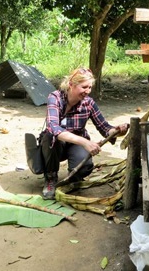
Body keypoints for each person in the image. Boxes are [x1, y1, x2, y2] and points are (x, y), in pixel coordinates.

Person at [39, 67, 129, 200]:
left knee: (84, 167)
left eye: (90, 87)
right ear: (71, 85)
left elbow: (104, 128)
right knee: (51, 136)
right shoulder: (55, 98)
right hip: (55, 145)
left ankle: (72, 179)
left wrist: (117, 131)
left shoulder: (89, 103)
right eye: (84, 87)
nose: (87, 91)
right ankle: (51, 178)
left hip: (74, 145)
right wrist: (85, 142)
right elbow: (54, 128)